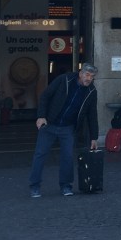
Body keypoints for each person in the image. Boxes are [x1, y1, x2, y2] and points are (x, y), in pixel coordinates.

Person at [28, 63, 99, 198]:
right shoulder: (64, 79)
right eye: (87, 75)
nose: (89, 79)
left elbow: (92, 115)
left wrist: (94, 137)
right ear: (80, 73)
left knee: (68, 157)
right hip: (49, 124)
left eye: (92, 76)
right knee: (40, 155)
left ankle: (66, 186)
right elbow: (45, 96)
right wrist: (41, 116)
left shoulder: (91, 91)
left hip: (68, 127)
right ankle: (34, 186)